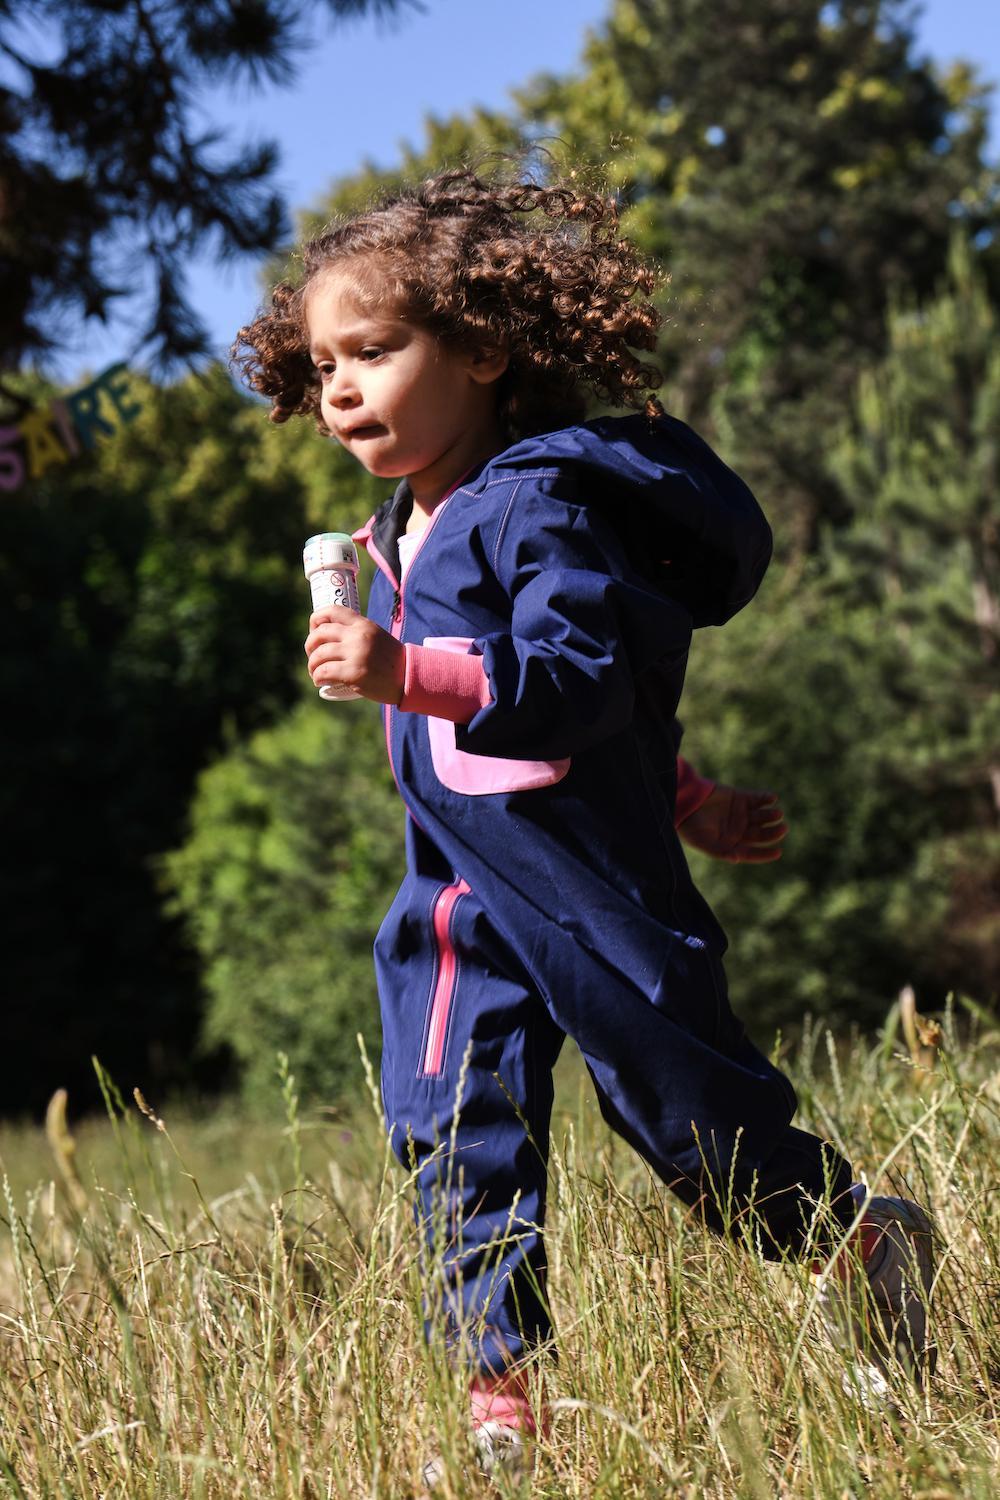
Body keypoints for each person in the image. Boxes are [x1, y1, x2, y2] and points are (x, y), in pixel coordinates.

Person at [234, 171, 935, 1481]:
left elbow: (581, 687)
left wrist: (409, 674)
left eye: (373, 351)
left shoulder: (538, 501)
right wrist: (692, 793)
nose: (336, 387)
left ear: (485, 352)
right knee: (451, 1126)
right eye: (322, 361)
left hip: (585, 882)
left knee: (692, 1127)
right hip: (452, 891)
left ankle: (857, 1239)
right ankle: (505, 1404)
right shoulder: (395, 530)